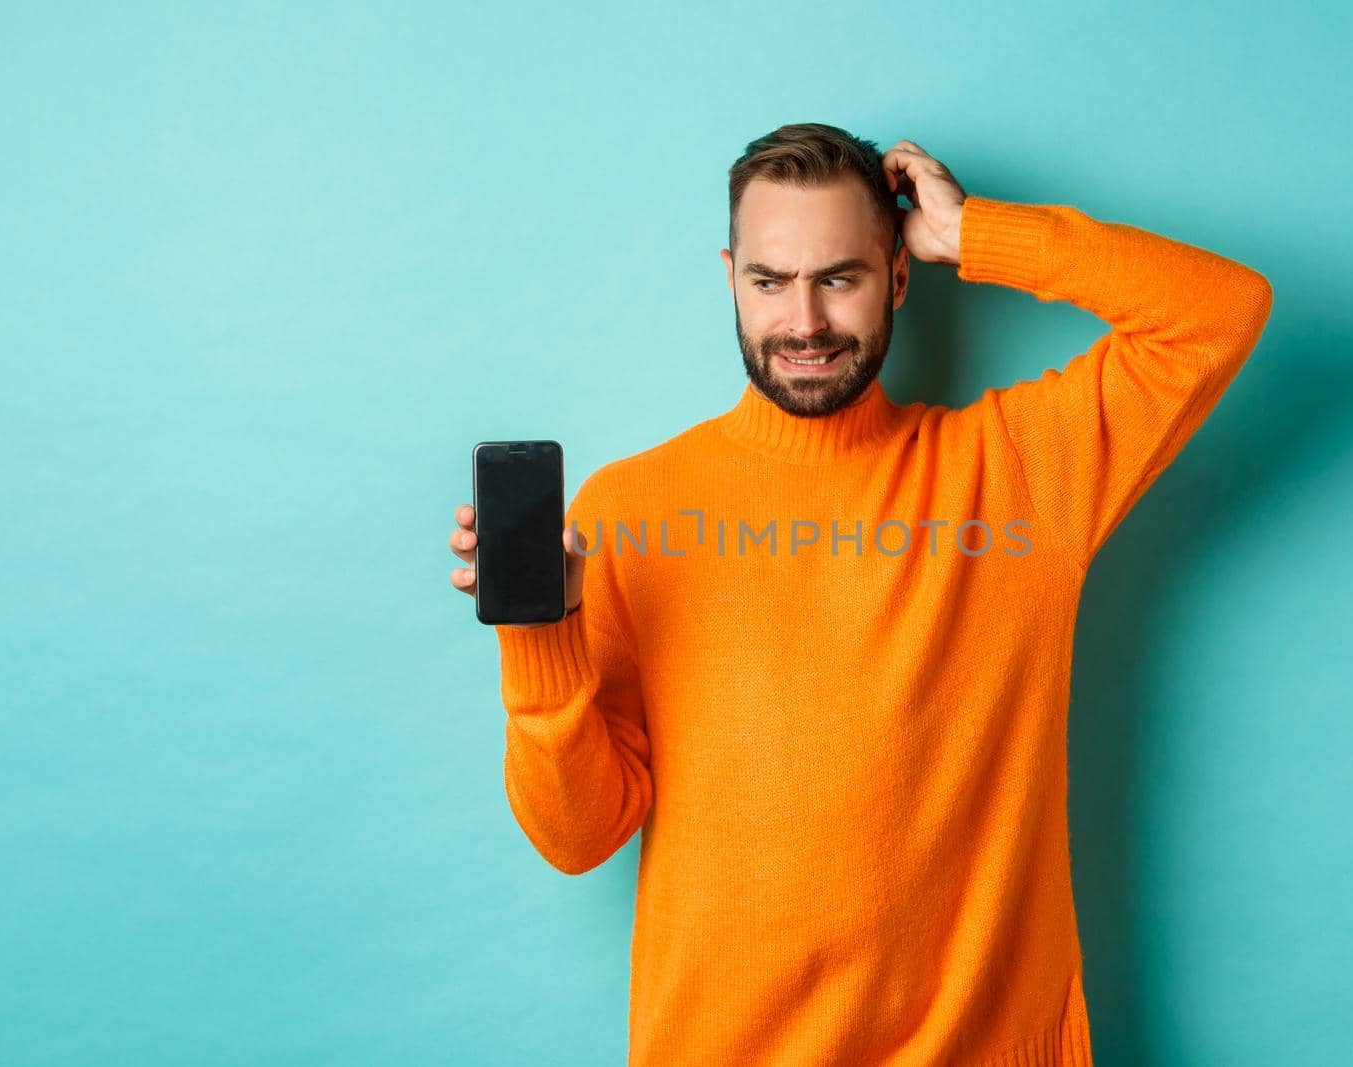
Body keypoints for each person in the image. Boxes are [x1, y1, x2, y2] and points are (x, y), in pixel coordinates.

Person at [447, 123, 1272, 1066]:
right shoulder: (631, 509)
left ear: (901, 275)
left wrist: (977, 233)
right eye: (770, 281)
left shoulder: (1016, 474)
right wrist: (538, 636)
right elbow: (578, 836)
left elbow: (1220, 309)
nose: (803, 322)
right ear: (729, 277)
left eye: (840, 277)